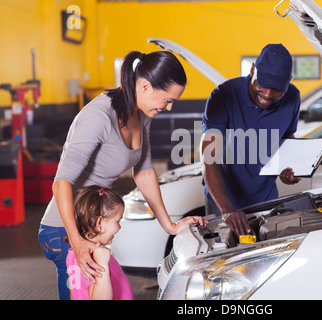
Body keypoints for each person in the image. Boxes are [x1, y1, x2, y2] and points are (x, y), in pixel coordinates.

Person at [38, 50, 206, 300]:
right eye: (167, 100)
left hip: (91, 226)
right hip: (65, 229)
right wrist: (77, 242)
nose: (168, 108)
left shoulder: (142, 113)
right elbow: (61, 182)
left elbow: (145, 172)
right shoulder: (98, 117)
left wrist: (169, 226)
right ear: (146, 86)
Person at [201, 43, 301, 236]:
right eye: (262, 85)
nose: (268, 95)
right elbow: (209, 157)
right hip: (222, 201)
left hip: (267, 199)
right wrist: (227, 209)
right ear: (252, 69)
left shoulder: (293, 97)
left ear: (289, 82)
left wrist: (288, 168)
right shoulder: (223, 96)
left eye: (277, 89)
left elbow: (288, 137)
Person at [66, 186, 133, 300]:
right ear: (99, 223)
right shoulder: (94, 259)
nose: (119, 227)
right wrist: (102, 265)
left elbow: (74, 294)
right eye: (117, 221)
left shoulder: (73, 254)